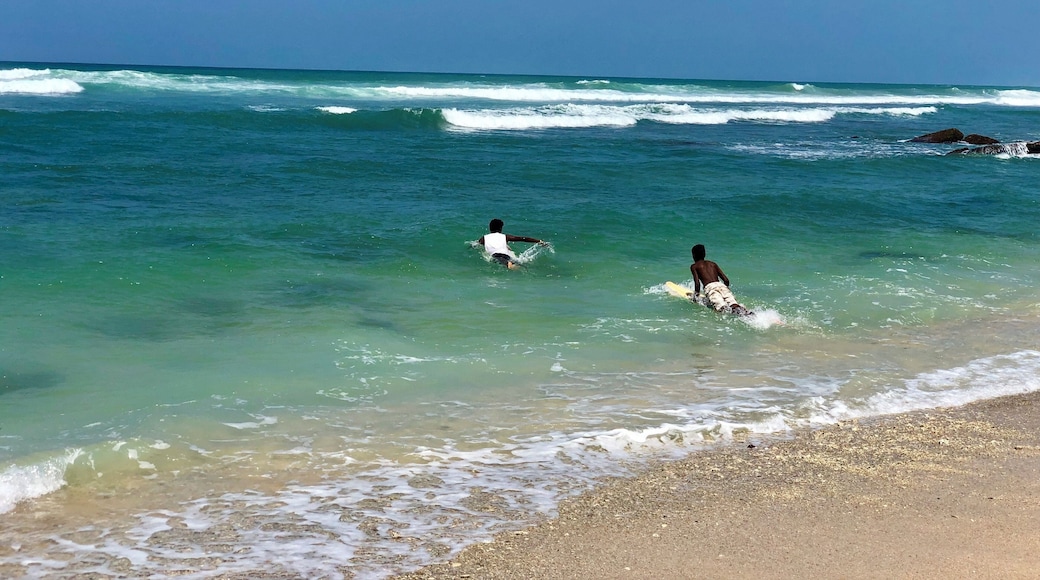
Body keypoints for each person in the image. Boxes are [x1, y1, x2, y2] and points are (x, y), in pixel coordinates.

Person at [690, 244, 751, 316]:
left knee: (722, 308)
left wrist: (695, 297)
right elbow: (726, 280)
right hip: (721, 285)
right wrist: (726, 289)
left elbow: (697, 283)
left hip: (710, 288)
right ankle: (749, 314)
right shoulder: (713, 264)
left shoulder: (694, 266)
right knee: (734, 305)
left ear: (694, 255)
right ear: (704, 254)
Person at [476, 218, 545, 270]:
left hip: (496, 255)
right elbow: (522, 238)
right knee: (519, 265)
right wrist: (539, 241)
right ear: (501, 228)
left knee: (505, 264)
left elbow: (476, 245)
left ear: (490, 228)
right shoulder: (505, 236)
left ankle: (509, 264)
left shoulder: (484, 238)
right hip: (506, 256)